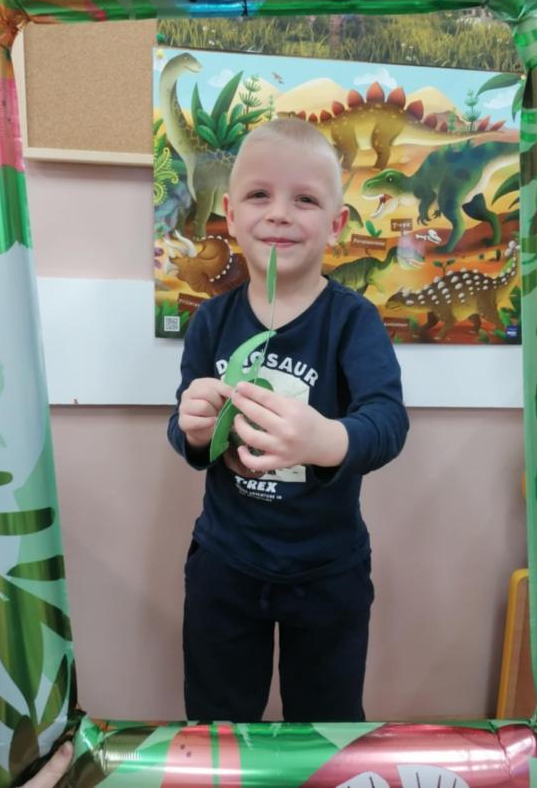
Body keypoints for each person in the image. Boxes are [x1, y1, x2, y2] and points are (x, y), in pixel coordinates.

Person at [168, 117, 408, 723]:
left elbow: (387, 422)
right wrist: (193, 429)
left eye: (304, 199)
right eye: (259, 195)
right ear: (229, 214)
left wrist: (325, 438)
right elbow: (185, 434)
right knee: (219, 727)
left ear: (336, 224)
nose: (279, 214)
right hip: (225, 566)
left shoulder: (353, 321)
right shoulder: (210, 322)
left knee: (326, 731)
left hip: (329, 573)